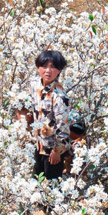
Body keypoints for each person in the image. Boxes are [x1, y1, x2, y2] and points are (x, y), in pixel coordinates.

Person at [27, 50, 72, 181]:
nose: (48, 71)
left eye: (53, 67)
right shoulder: (34, 85)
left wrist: (56, 151)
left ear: (59, 70)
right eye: (44, 66)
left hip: (53, 150)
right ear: (38, 67)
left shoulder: (59, 96)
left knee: (52, 185)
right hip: (37, 145)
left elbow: (63, 126)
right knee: (36, 183)